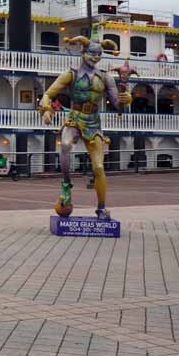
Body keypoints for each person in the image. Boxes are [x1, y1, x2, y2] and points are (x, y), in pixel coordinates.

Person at [39, 24, 131, 220]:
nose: (96, 57)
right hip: (74, 118)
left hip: (94, 122)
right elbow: (47, 94)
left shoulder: (106, 77)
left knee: (98, 167)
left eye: (99, 54)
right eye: (92, 53)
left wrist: (127, 100)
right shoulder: (70, 74)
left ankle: (101, 207)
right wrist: (46, 110)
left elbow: (117, 104)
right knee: (64, 144)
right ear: (83, 52)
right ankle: (66, 186)